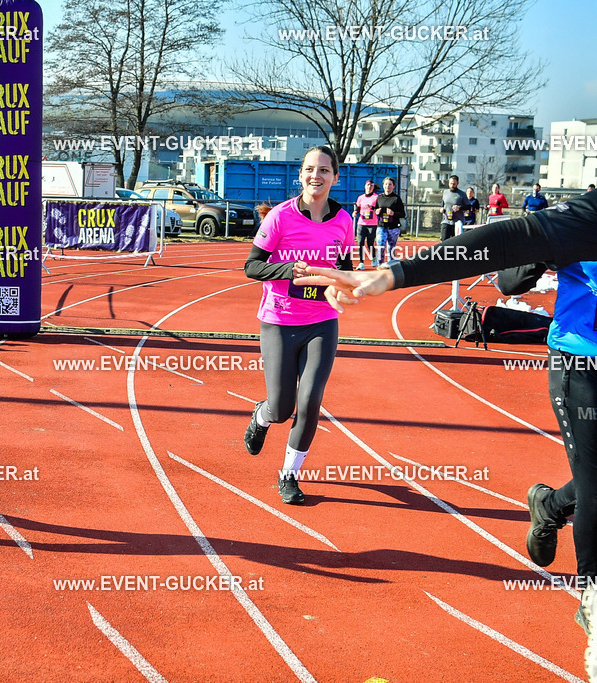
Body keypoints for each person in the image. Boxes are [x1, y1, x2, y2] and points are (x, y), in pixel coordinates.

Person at [292, 191, 597, 681]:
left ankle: (552, 506)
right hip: (585, 359)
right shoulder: (589, 215)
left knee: (590, 477)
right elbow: (506, 243)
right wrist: (391, 275)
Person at [242, 145, 355, 505]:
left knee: (310, 402)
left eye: (324, 170)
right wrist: (289, 270)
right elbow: (252, 267)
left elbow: (344, 270)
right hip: (278, 320)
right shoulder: (280, 217)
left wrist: (344, 287)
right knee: (282, 407)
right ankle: (262, 416)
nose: (316, 176)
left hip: (322, 322)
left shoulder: (344, 222)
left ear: (335, 177)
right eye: (310, 169)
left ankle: (289, 475)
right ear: (301, 174)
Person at [374, 176, 405, 263]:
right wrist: (376, 211)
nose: (388, 186)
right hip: (381, 226)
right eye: (386, 184)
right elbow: (375, 208)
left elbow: (403, 214)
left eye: (390, 184)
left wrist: (393, 213)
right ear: (383, 185)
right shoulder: (379, 197)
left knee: (391, 248)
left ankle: (391, 266)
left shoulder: (396, 199)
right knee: (380, 246)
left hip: (393, 227)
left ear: (393, 186)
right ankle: (380, 266)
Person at [354, 180, 378, 269]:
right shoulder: (360, 197)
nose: (369, 187)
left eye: (371, 186)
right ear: (365, 186)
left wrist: (372, 208)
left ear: (373, 188)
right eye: (368, 185)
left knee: (370, 243)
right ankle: (361, 263)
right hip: (361, 223)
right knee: (360, 242)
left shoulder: (376, 197)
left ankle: (374, 257)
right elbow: (358, 207)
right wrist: (355, 212)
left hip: (372, 224)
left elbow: (379, 209)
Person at [440, 175, 468, 241]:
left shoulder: (462, 194)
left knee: (456, 242)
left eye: (454, 184)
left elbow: (468, 206)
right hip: (446, 220)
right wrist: (442, 208)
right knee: (444, 240)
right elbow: (443, 202)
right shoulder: (445, 192)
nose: (452, 185)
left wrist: (459, 207)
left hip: (457, 222)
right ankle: (444, 251)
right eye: (450, 183)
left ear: (457, 183)